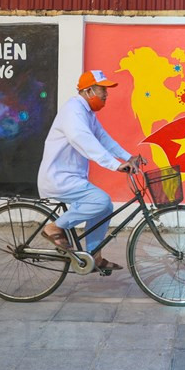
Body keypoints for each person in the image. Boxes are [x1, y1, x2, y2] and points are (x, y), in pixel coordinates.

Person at [37, 69, 146, 271]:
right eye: (102, 89)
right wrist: (114, 164)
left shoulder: (87, 113)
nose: (106, 94)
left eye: (106, 90)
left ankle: (94, 256)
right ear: (88, 91)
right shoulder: (73, 110)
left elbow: (103, 138)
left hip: (72, 178)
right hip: (58, 179)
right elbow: (82, 139)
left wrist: (127, 157)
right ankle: (55, 227)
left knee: (105, 207)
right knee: (101, 200)